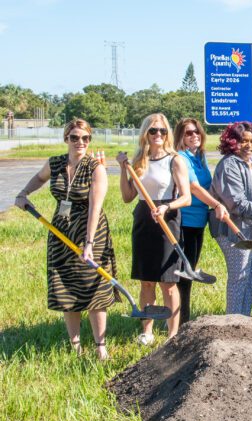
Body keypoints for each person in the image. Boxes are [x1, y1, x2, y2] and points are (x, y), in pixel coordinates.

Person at [15, 118, 116, 360]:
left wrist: (89, 244)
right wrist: (23, 193)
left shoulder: (96, 168)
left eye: (85, 138)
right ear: (66, 138)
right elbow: (40, 178)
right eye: (74, 137)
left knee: (94, 290)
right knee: (66, 288)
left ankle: (101, 347)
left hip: (90, 233)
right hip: (60, 234)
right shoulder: (56, 163)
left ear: (89, 140)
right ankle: (75, 346)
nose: (80, 142)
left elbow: (95, 207)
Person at [116, 113, 191, 345]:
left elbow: (186, 197)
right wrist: (122, 168)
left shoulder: (175, 160)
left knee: (168, 282)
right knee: (146, 280)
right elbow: (128, 197)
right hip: (143, 219)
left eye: (162, 131)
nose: (158, 135)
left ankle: (172, 333)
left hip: (166, 219)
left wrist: (167, 206)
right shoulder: (139, 160)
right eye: (153, 131)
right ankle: (147, 332)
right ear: (145, 134)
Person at [210, 122, 252, 316]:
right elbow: (236, 202)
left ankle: (244, 320)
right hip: (233, 228)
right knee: (239, 276)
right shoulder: (229, 164)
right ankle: (232, 322)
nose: (248, 145)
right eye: (243, 141)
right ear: (232, 143)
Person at [173, 118, 227, 323]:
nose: (194, 135)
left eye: (196, 132)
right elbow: (194, 187)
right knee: (184, 274)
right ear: (180, 136)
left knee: (190, 270)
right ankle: (180, 321)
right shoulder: (181, 157)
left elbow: (209, 184)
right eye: (188, 133)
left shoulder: (199, 156)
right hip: (184, 220)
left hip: (199, 221)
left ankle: (182, 316)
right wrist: (216, 205)